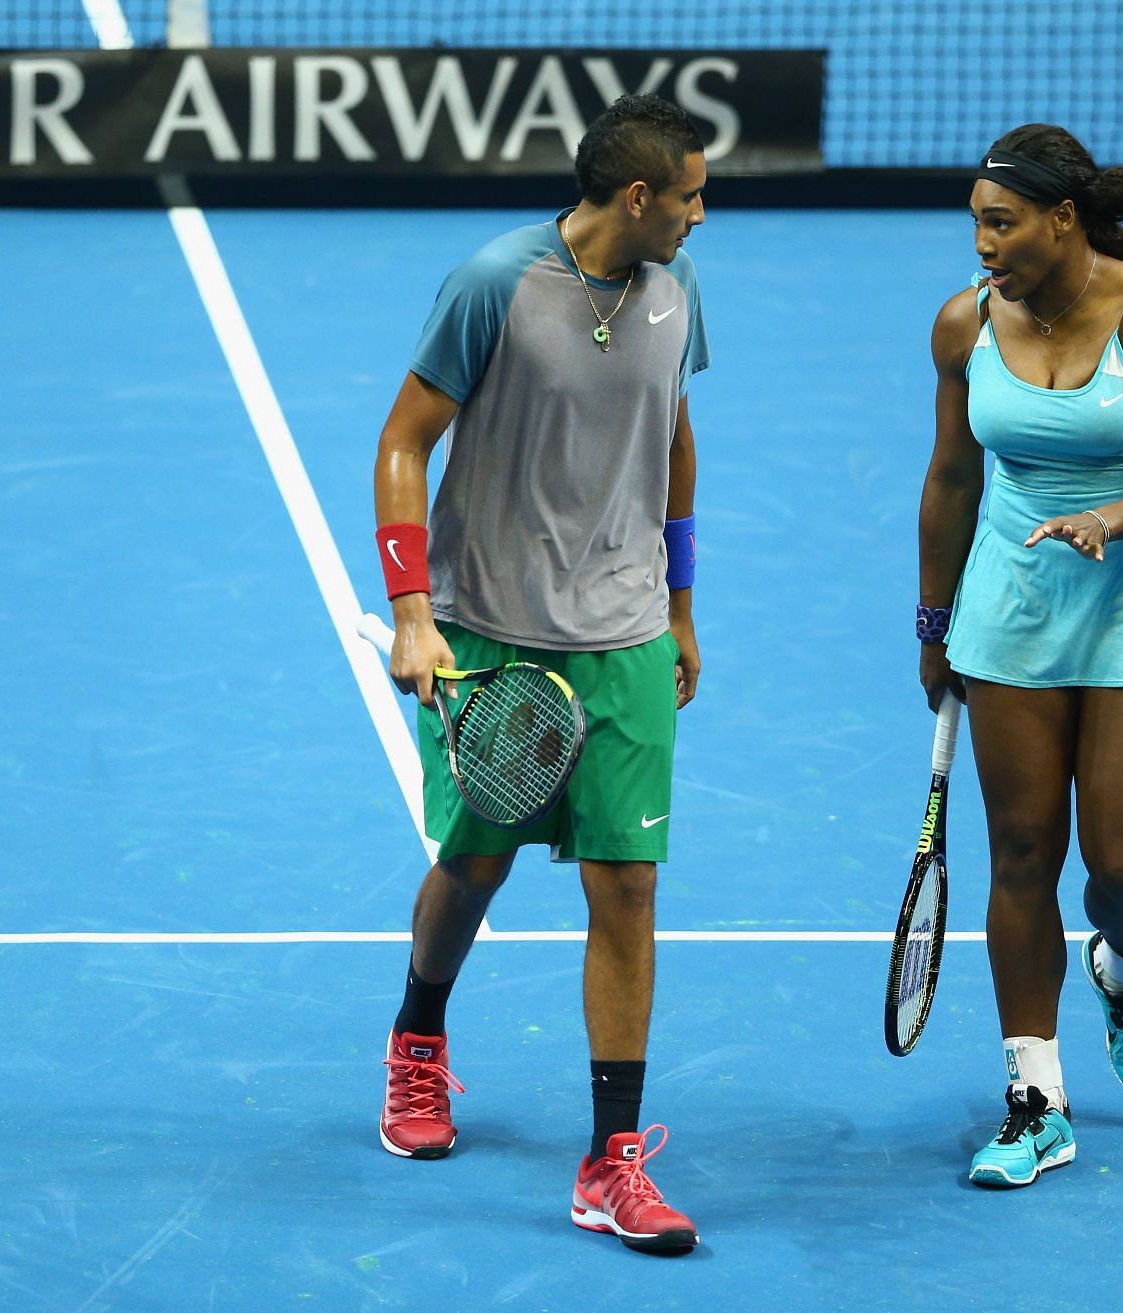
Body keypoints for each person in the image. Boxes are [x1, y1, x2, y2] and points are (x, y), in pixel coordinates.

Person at [368, 94, 708, 1253]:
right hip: (489, 628)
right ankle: (418, 1038)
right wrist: (413, 615)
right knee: (473, 863)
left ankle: (613, 1160)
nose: (701, 214)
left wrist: (679, 604)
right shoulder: (493, 283)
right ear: (635, 197)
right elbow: (405, 438)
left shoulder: (676, 291)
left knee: (629, 888)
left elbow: (673, 434)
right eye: (690, 195)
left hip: (622, 638)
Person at [917, 123, 1123, 1187]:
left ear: (1063, 220)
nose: (981, 243)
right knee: (1020, 850)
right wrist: (933, 623)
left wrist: (1119, 513)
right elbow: (954, 478)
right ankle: (1035, 1094)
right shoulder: (964, 322)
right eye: (975, 222)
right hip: (1009, 607)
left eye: (1000, 222)